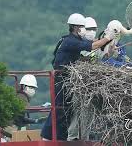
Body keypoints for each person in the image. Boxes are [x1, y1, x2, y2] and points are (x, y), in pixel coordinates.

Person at [41, 13, 117, 141]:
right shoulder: (70, 41)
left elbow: (91, 44)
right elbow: (92, 46)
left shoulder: (75, 40)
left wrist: (109, 43)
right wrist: (108, 37)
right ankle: (49, 137)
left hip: (67, 79)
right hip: (62, 78)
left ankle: (60, 137)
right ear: (76, 28)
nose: (85, 29)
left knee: (67, 109)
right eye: (83, 27)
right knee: (61, 108)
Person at [2, 74, 46, 138]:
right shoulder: (21, 97)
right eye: (31, 87)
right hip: (8, 129)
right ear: (24, 86)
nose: (33, 90)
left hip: (7, 128)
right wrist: (42, 107)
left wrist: (35, 121)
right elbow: (26, 110)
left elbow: (19, 118)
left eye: (34, 88)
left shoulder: (20, 95)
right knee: (25, 136)